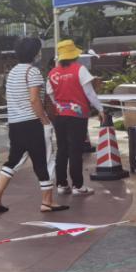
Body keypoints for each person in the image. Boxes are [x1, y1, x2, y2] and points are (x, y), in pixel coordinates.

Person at [0, 37, 67, 214]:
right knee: (44, 161)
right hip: (33, 124)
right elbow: (34, 99)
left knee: (12, 162)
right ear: (35, 53)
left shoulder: (12, 72)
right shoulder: (33, 72)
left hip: (15, 124)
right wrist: (44, 119)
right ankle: (47, 201)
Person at [47, 39, 102, 195]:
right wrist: (101, 109)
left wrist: (60, 105)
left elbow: (51, 94)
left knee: (62, 149)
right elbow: (89, 93)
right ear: (74, 55)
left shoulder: (52, 73)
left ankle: (61, 184)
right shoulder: (80, 69)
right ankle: (78, 186)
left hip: (60, 115)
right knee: (75, 150)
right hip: (78, 116)